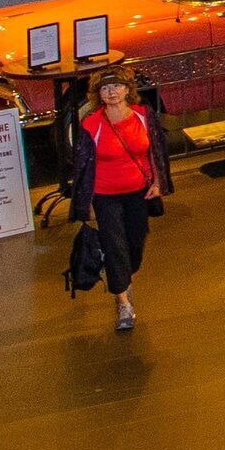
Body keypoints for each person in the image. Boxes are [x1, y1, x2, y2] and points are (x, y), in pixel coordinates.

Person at [73, 71, 168, 332]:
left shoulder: (143, 116)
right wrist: (87, 202)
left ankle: (124, 278)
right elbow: (83, 166)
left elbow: (156, 151)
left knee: (136, 243)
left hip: (138, 192)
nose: (112, 92)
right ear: (98, 94)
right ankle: (123, 300)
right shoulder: (92, 124)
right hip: (105, 196)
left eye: (117, 86)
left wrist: (158, 183)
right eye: (105, 89)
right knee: (115, 246)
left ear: (128, 90)